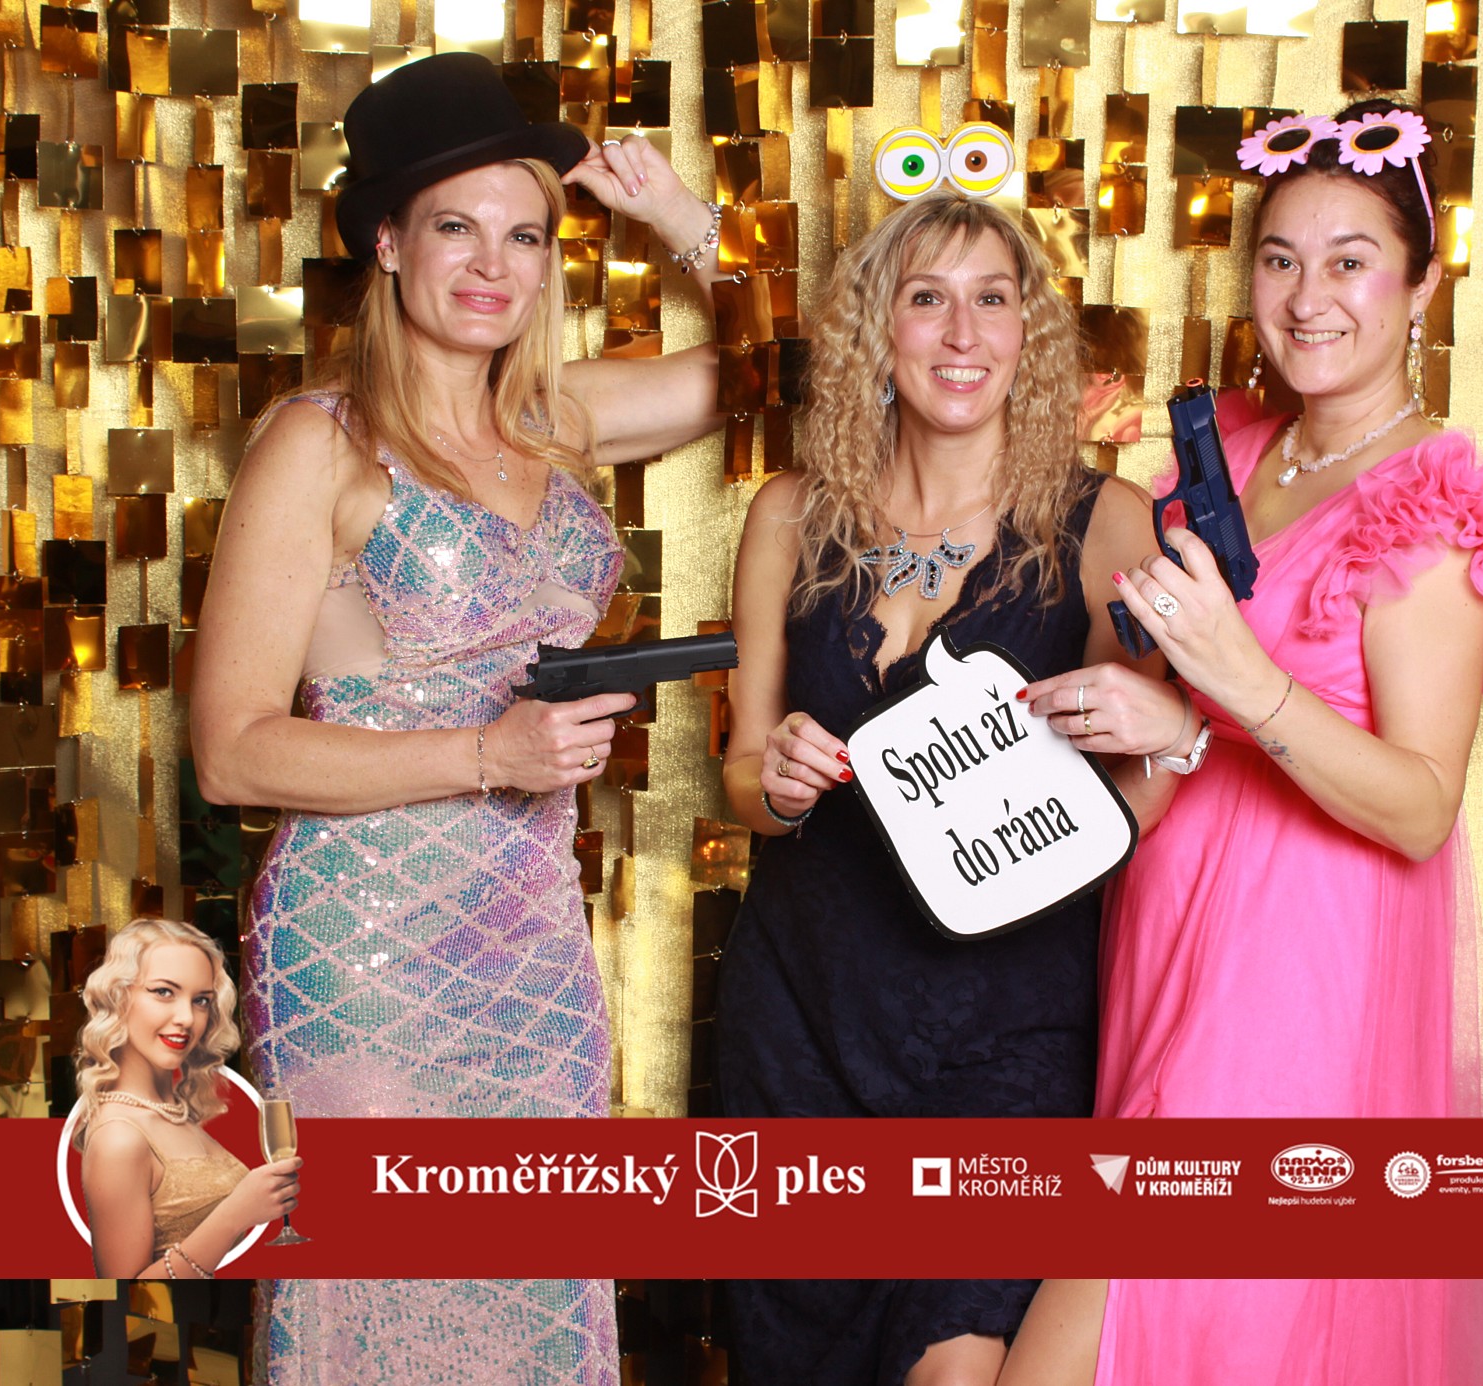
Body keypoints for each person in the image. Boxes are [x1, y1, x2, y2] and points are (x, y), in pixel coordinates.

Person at [998, 102, 1483, 1384]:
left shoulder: (1430, 509)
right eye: (1280, 260)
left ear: (1421, 286)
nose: (1308, 298)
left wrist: (1239, 691)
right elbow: (1176, 707)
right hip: (1165, 929)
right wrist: (1159, 716)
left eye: (1350, 261)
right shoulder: (1228, 453)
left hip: (1295, 970)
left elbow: (1419, 807)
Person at [189, 52, 723, 1383]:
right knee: (379, 1306)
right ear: (387, 241)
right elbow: (230, 750)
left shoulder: (557, 419)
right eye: (456, 227)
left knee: (531, 1297)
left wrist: (680, 220)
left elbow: (811, 370)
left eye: (525, 234)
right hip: (364, 946)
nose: (493, 264)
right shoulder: (319, 442)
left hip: (531, 945)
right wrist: (488, 752)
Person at [714, 190, 1164, 1386]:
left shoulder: (1103, 524)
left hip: (1010, 1025)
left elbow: (1144, 778)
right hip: (801, 1018)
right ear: (879, 329)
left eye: (990, 300)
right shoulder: (788, 517)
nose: (961, 334)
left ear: (1028, 334)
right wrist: (781, 783)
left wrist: (1070, 818)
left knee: (952, 1365)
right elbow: (743, 773)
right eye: (927, 299)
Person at [74, 918, 301, 1280]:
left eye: (201, 1001)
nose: (186, 1018)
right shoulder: (119, 1138)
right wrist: (235, 1215)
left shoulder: (177, 1113)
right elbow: (128, 1295)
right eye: (164, 992)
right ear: (118, 996)